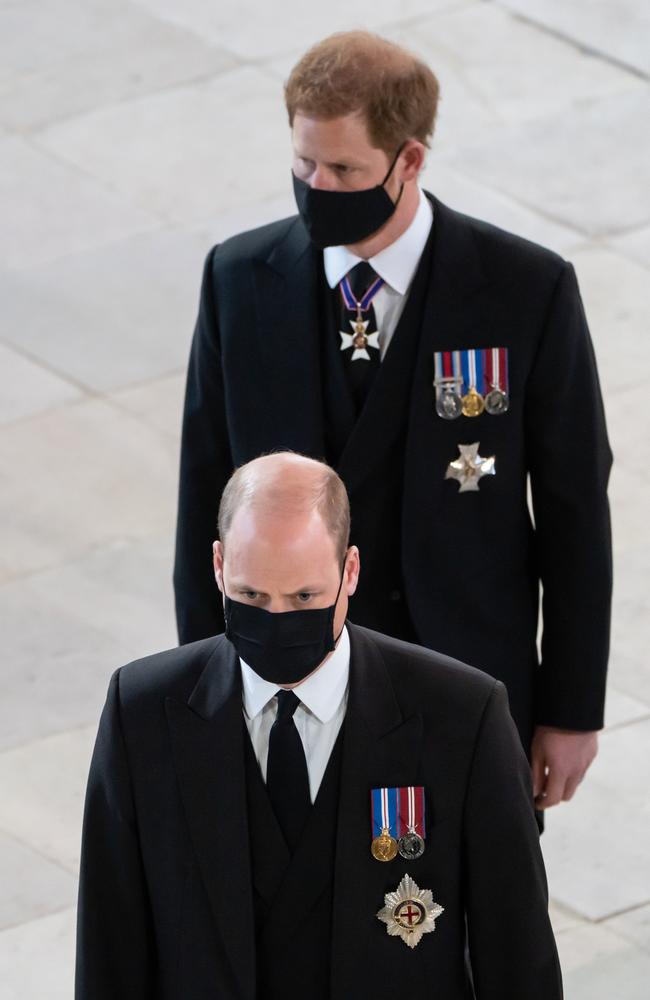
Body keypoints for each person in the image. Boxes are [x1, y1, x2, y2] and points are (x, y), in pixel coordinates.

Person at [173, 31, 612, 811]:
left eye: (344, 169)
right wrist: (204, 691)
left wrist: (571, 711)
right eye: (304, 164)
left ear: (408, 161)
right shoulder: (239, 282)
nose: (317, 186)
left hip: (467, 686)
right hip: (288, 687)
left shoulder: (524, 290)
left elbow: (576, 511)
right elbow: (203, 496)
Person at [77, 453, 562, 999]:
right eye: (251, 596)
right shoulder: (142, 714)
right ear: (218, 566)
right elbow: (109, 948)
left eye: (304, 597)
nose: (277, 620)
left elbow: (518, 956)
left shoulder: (463, 717)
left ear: (350, 571)